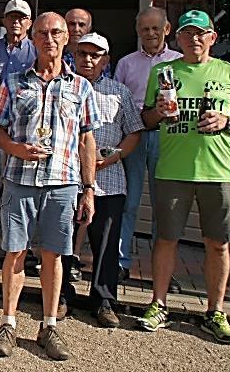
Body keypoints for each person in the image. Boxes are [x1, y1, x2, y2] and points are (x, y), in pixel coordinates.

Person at [0, 12, 100, 361]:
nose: (49, 39)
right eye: (42, 33)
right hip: (20, 181)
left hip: (62, 184)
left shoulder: (81, 86)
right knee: (15, 253)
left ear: (67, 38)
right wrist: (18, 150)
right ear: (32, 38)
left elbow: (87, 141)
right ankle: (8, 323)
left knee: (53, 255)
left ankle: (49, 326)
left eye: (56, 33)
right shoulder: (15, 81)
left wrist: (89, 188)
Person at [136, 10, 230, 344]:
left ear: (212, 38)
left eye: (201, 33)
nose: (194, 39)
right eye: (188, 34)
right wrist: (157, 111)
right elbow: (146, 121)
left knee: (218, 244)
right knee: (165, 240)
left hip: (218, 171)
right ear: (178, 38)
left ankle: (215, 312)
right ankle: (158, 304)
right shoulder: (164, 72)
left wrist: (226, 121)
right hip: (172, 170)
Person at [67, 33, 143, 328]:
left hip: (109, 179)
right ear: (74, 56)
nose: (88, 59)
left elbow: (134, 131)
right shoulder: (63, 88)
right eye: (83, 53)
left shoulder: (119, 92)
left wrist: (114, 157)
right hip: (68, 179)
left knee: (107, 242)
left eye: (95, 55)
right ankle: (62, 295)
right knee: (63, 241)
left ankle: (103, 300)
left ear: (106, 61)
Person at [114, 6, 183, 287]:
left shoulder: (179, 62)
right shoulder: (126, 63)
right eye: (145, 29)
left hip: (166, 136)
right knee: (127, 201)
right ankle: (120, 262)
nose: (151, 33)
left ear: (166, 29)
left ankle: (161, 266)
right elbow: (116, 102)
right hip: (135, 134)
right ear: (138, 31)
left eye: (156, 28)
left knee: (162, 203)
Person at [63, 7, 110, 77]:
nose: (76, 29)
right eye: (72, 24)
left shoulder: (100, 58)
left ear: (89, 28)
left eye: (81, 25)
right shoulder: (55, 54)